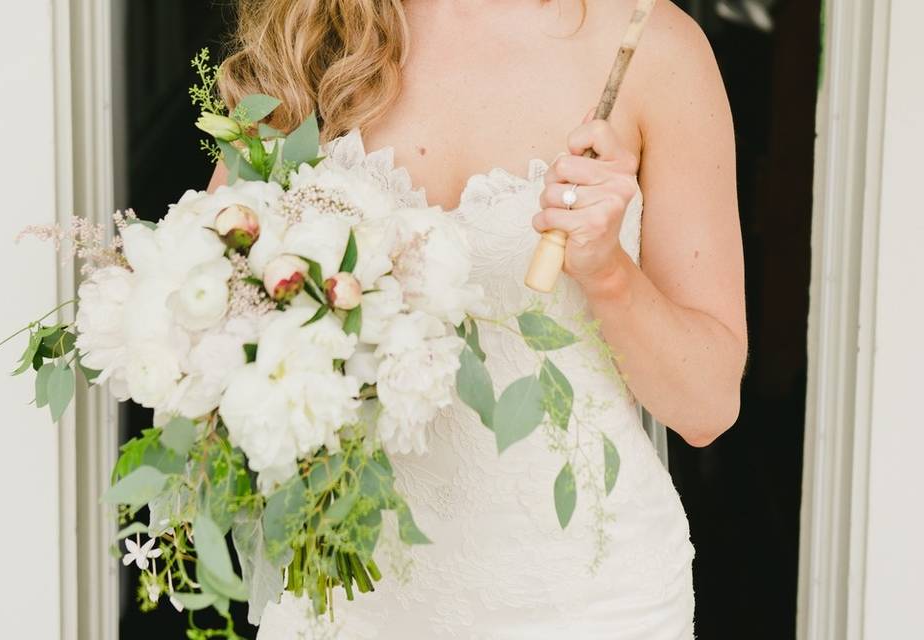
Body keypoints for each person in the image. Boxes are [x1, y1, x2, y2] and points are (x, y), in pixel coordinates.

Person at [210, 1, 747, 637]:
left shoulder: (651, 47)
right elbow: (215, 320)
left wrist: (608, 273)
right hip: (347, 595)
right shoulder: (303, 37)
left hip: (582, 600)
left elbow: (707, 406)